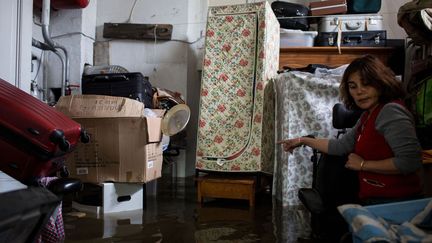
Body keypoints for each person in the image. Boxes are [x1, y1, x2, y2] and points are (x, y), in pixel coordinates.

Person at [278, 54, 423, 204]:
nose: (359, 91)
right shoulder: (368, 115)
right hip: (374, 198)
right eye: (353, 86)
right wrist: (303, 140)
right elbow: (341, 146)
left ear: (381, 83)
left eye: (366, 84)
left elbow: (410, 161)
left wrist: (363, 165)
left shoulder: (390, 111)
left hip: (395, 202)